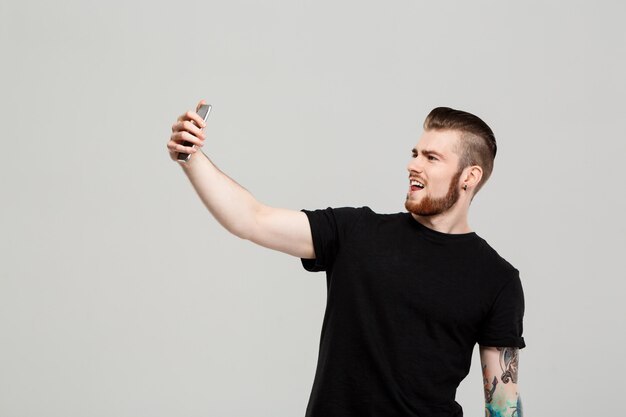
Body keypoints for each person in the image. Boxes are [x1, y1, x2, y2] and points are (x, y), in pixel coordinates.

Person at [167, 101, 526, 417]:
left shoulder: (497, 279)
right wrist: (192, 158)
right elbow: (251, 219)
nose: (412, 165)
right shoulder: (355, 231)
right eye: (415, 153)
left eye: (431, 158)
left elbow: (502, 405)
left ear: (469, 177)